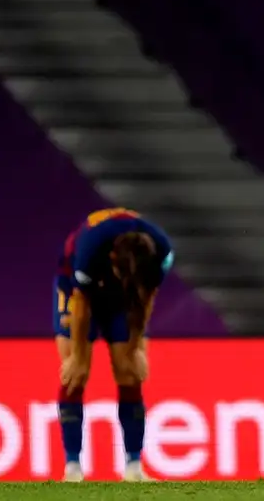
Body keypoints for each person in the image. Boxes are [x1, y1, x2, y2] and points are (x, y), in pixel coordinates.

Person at [55, 207, 175, 482]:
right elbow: (82, 307)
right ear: (112, 260)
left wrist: (135, 348)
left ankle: (134, 467)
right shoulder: (89, 250)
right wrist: (78, 357)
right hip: (75, 287)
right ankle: (72, 468)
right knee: (75, 373)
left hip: (124, 289)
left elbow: (146, 298)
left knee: (129, 371)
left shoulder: (161, 251)